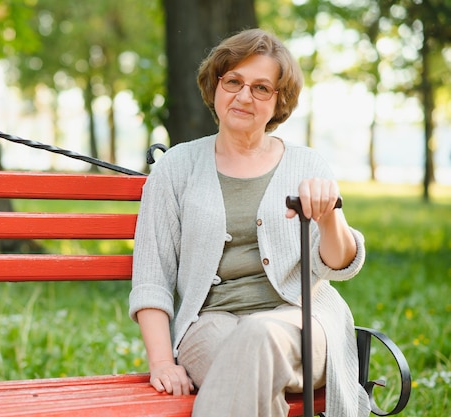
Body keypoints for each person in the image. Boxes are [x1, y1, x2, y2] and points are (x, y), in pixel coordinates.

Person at [129, 28, 371, 417]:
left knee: (259, 335)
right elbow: (151, 277)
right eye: (234, 82)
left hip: (302, 320)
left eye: (261, 88)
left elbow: (338, 266)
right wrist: (161, 362)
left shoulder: (307, 165)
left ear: (279, 100)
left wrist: (330, 218)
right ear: (216, 86)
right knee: (248, 365)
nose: (243, 96)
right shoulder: (176, 167)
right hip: (207, 325)